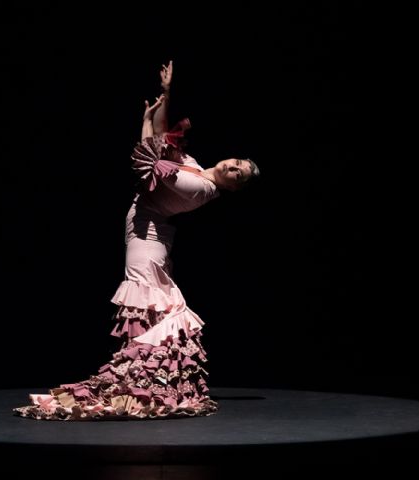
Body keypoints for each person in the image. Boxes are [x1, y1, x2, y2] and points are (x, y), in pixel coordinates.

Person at [14, 61, 259, 421]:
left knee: (150, 300)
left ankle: (138, 379)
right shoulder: (193, 163)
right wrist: (164, 100)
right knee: (153, 301)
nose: (233, 168)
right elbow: (163, 144)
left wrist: (148, 123)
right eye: (236, 162)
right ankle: (142, 376)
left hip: (149, 236)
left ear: (234, 187)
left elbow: (152, 161)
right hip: (147, 232)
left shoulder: (201, 188)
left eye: (239, 174)